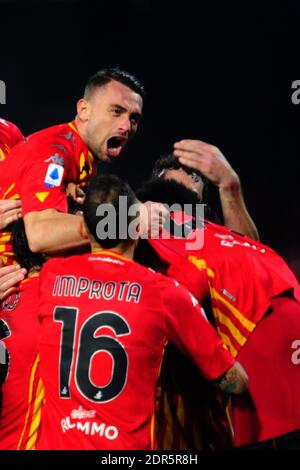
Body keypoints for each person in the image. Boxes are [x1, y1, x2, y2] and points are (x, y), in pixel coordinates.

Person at [35, 174, 247, 450]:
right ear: (138, 227)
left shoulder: (51, 275)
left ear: (84, 230)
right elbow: (233, 380)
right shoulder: (164, 292)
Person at [136, 158, 300, 449]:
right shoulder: (138, 222)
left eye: (195, 175)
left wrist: (230, 186)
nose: (188, 176)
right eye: (179, 171)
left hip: (249, 358)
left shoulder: (210, 229)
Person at [0, 67, 164, 268]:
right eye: (116, 111)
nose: (126, 126)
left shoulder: (81, 157)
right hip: (13, 288)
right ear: (84, 110)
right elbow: (39, 235)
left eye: (133, 118)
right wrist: (123, 220)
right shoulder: (55, 154)